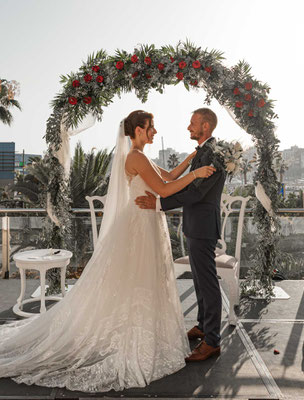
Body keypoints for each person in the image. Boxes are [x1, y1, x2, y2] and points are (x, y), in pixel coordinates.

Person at [0, 110, 215, 392]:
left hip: (146, 222)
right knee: (138, 277)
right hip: (139, 224)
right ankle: (134, 334)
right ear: (138, 130)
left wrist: (190, 160)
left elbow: (172, 174)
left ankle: (145, 330)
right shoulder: (136, 157)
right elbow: (165, 189)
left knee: (144, 278)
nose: (154, 132)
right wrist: (197, 172)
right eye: (151, 127)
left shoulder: (142, 156)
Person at [135, 108, 226, 362]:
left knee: (207, 282)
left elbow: (196, 193)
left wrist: (158, 204)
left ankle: (213, 341)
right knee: (198, 278)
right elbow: (186, 183)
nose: (188, 127)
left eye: (193, 123)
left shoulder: (212, 154)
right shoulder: (204, 152)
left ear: (205, 127)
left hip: (203, 226)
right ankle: (202, 325)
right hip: (196, 224)